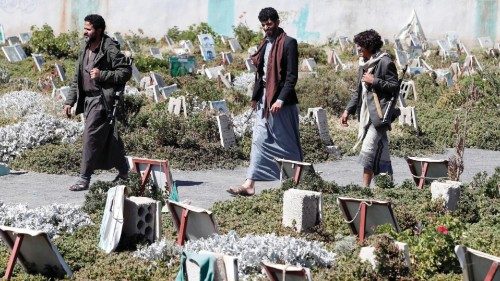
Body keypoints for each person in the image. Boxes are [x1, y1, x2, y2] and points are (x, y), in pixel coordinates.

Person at [227, 7, 302, 196]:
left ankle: (296, 179)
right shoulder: (264, 44)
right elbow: (262, 75)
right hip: (264, 101)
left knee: (287, 142)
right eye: (263, 26)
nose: (266, 28)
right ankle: (249, 184)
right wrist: (255, 97)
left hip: (281, 103)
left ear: (277, 22)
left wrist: (281, 99)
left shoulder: (289, 43)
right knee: (259, 139)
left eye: (269, 24)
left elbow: (291, 76)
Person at [63, 14, 132, 191]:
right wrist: (70, 100)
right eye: (84, 28)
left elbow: (125, 72)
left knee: (90, 137)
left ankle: (84, 178)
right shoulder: (84, 45)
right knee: (109, 138)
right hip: (87, 100)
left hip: (101, 100)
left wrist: (103, 75)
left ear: (99, 30)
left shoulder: (109, 48)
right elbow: (76, 76)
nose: (85, 32)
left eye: (88, 29)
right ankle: (125, 171)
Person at [340, 29, 399, 187]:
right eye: (357, 45)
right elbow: (359, 92)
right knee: (381, 149)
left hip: (380, 115)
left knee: (368, 148)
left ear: (370, 46)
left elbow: (395, 87)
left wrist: (375, 81)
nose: (358, 48)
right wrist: (347, 110)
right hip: (367, 114)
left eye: (361, 45)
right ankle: (386, 184)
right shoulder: (363, 64)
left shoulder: (385, 62)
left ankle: (364, 189)